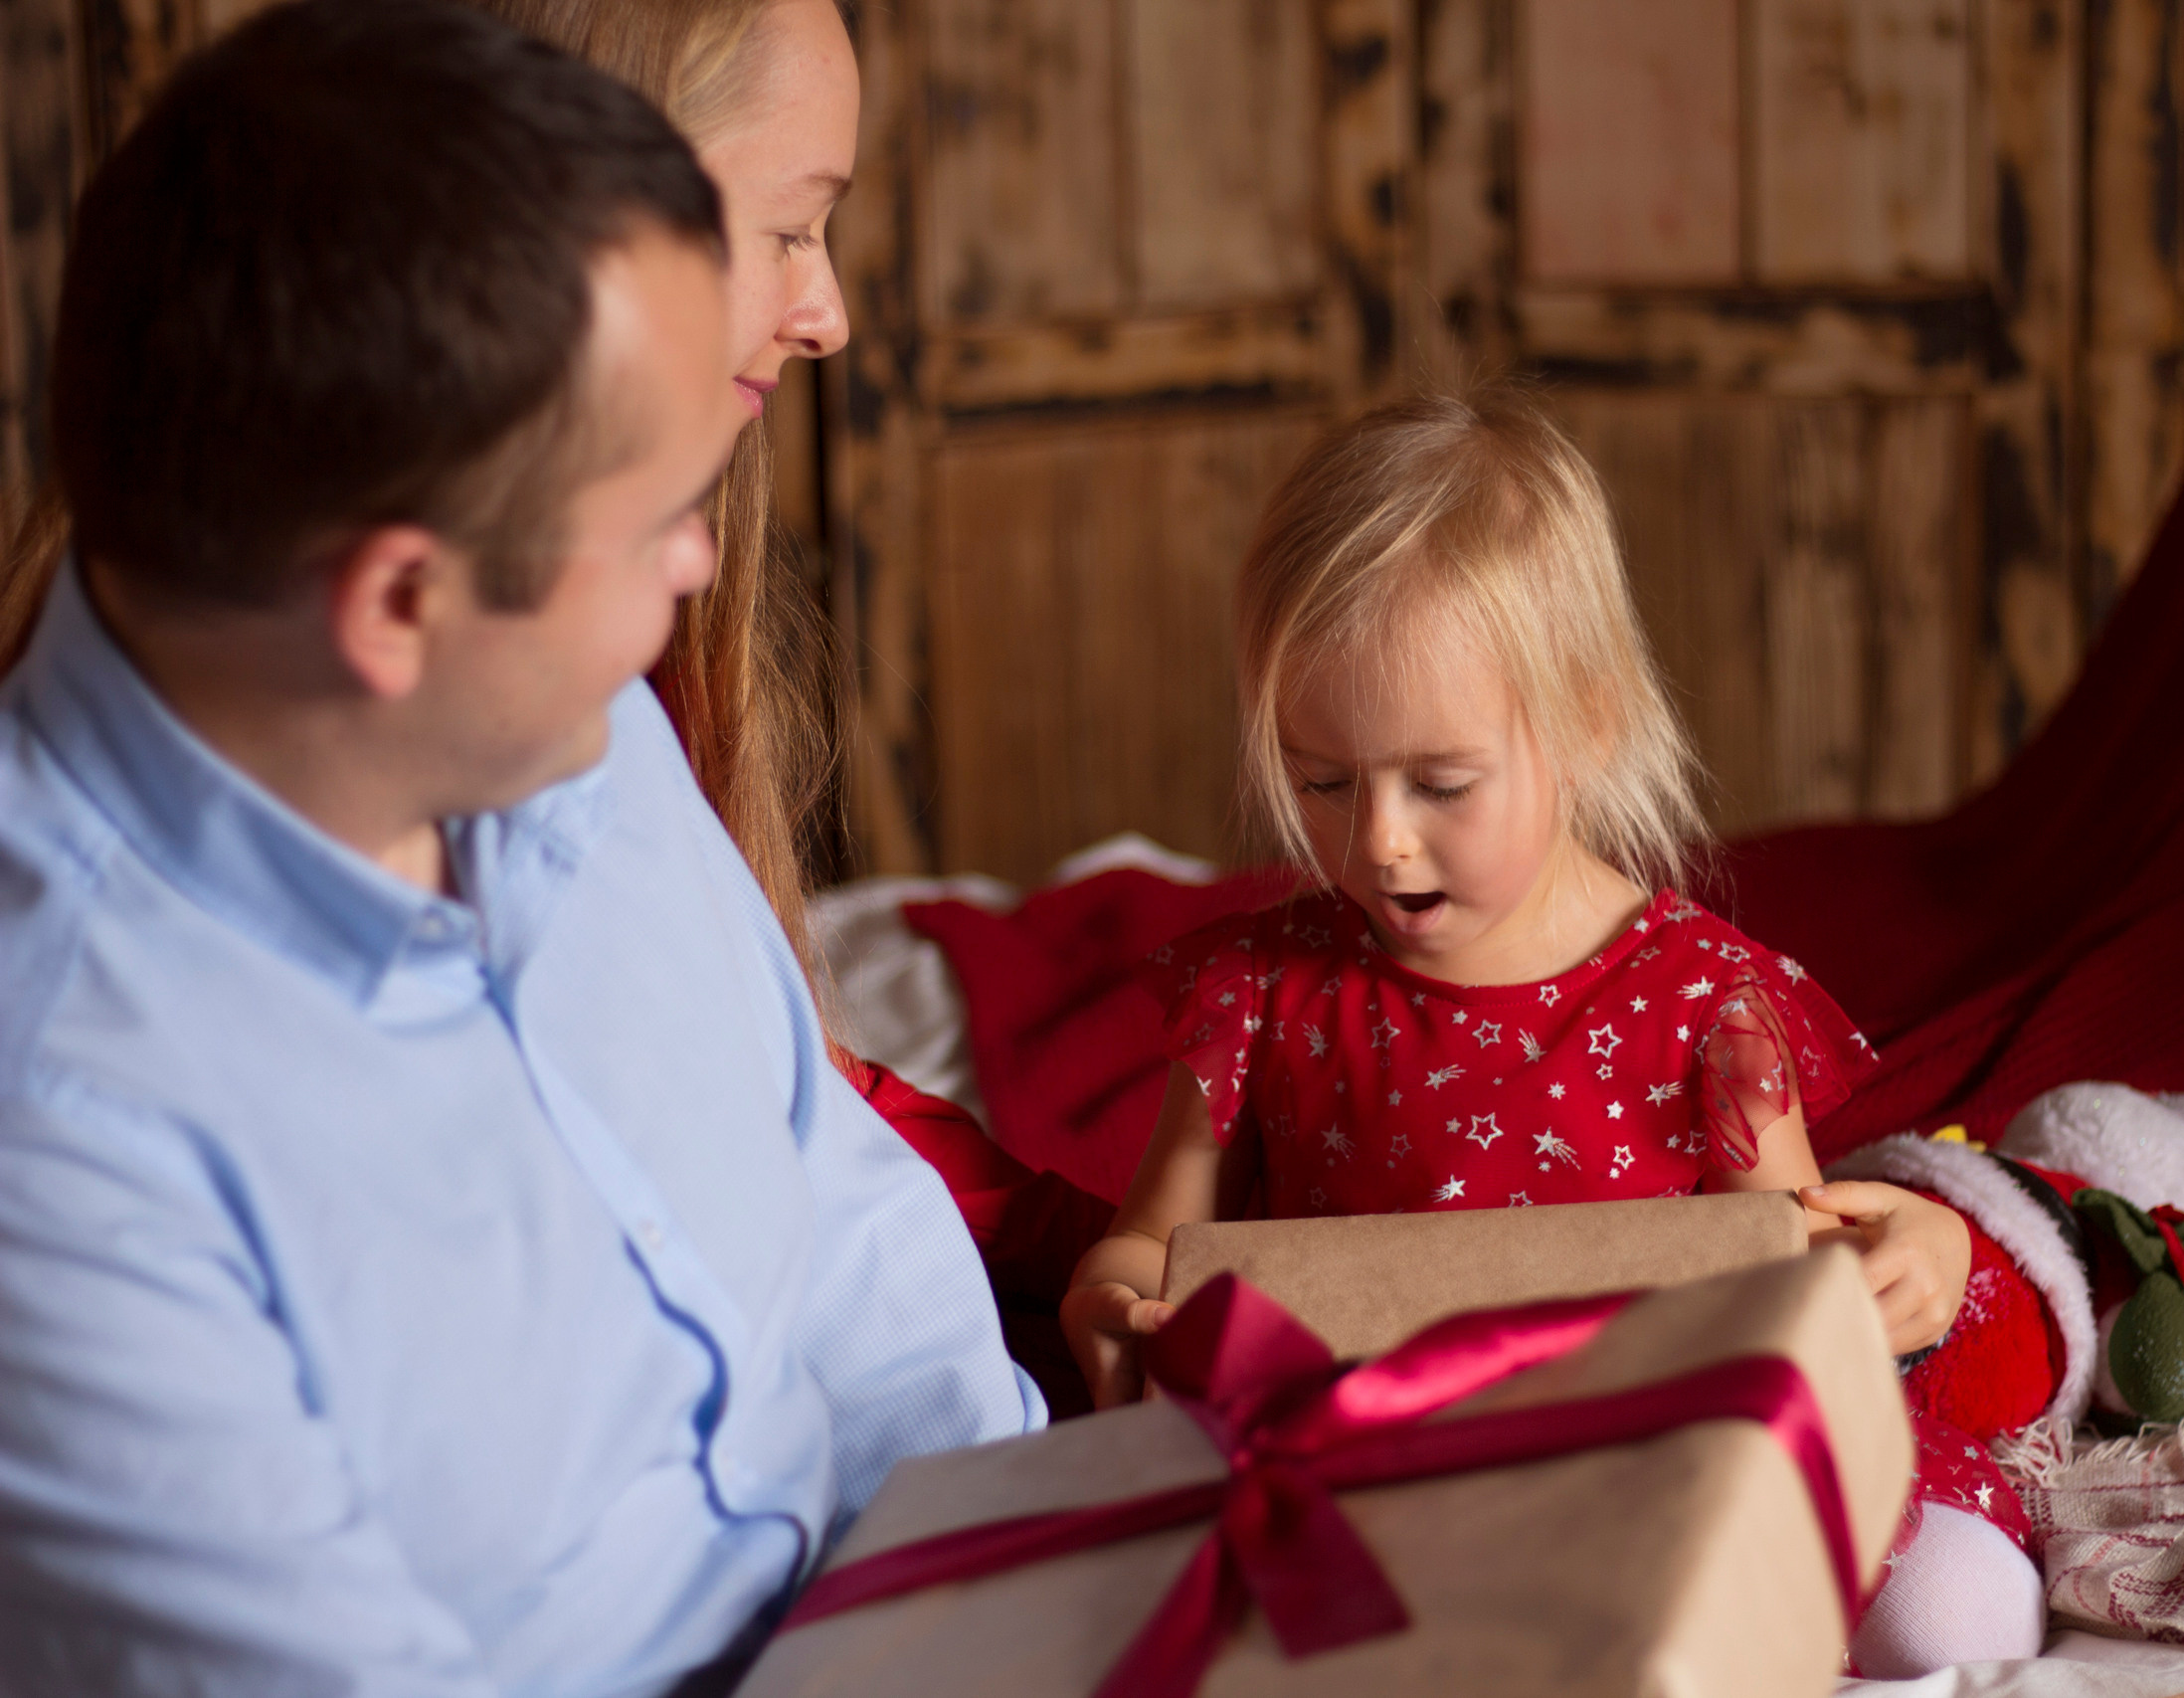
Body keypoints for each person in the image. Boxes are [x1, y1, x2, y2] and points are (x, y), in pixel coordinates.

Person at [0, 2, 1038, 1690]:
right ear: (399, 604)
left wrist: (1068, 1558)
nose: (697, 573)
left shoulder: (551, 705)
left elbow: (848, 1227)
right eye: (653, 526)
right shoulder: (64, 1140)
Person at [1057, 391, 2046, 1674]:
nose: (1378, 840)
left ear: (1583, 721)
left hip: (1668, 1460)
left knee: (1943, 1609)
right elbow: (1155, 1232)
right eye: (1322, 780)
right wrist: (1114, 1291)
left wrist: (1913, 1248)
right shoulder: (1264, 993)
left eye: (1440, 783)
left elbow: (1794, 1250)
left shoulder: (1703, 1002)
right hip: (1378, 1478)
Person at [465, 0, 1117, 1368]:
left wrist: (1076, 1239)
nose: (826, 315)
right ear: (600, 220)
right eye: (790, 230)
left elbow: (777, 1081)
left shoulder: (630, 647)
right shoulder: (496, 711)